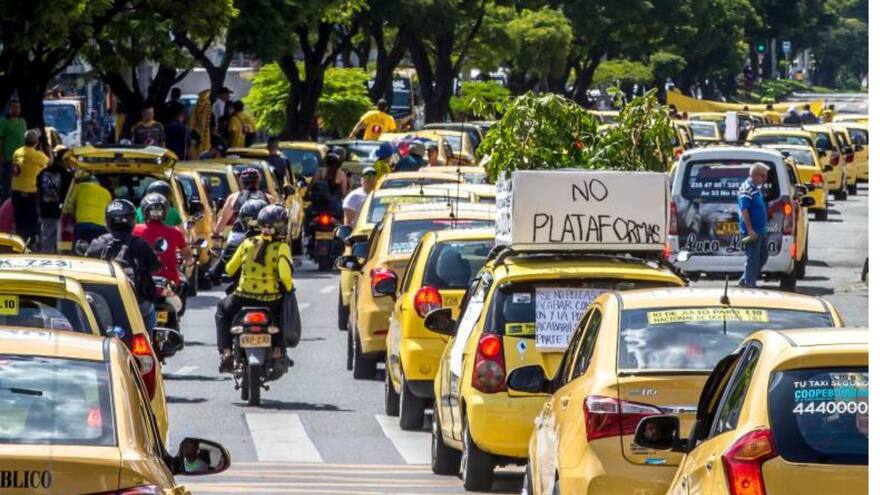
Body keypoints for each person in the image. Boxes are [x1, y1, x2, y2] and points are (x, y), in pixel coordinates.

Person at [215, 204, 293, 372]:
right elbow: (285, 276)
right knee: (282, 315)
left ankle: (226, 352)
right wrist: (288, 288)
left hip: (242, 298)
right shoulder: (282, 247)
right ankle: (278, 351)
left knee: (222, 309)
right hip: (271, 300)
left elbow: (230, 268)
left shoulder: (247, 243)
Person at [86, 199, 162, 331]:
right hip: (136, 305)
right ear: (132, 220)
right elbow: (156, 266)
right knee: (150, 313)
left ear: (108, 220)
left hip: (100, 304)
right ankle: (149, 340)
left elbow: (85, 262)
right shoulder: (140, 244)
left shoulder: (98, 243)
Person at [133, 193, 194, 290]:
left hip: (141, 282)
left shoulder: (134, 230)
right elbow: (188, 256)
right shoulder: (176, 232)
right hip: (170, 283)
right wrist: (189, 264)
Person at [10, 129, 49, 248]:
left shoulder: (17, 152)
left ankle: (19, 243)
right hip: (29, 192)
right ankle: (30, 244)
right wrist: (44, 150)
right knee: (32, 220)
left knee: (19, 219)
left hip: (15, 191)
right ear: (36, 142)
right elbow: (49, 162)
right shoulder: (37, 155)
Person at [212, 167, 276, 238]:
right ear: (258, 181)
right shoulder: (269, 198)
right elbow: (276, 218)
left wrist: (215, 233)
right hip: (262, 236)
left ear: (241, 182)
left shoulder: (234, 197)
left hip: (238, 235)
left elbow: (223, 219)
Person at [737, 162, 770, 288]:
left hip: (760, 230)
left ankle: (745, 279)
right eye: (763, 176)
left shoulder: (755, 188)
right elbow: (744, 210)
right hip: (752, 231)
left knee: (763, 256)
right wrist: (750, 230)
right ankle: (749, 284)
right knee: (753, 259)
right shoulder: (747, 189)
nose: (765, 179)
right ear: (755, 175)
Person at [36, 145, 74, 253]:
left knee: (46, 239)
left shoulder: (43, 172)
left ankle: (46, 257)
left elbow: (38, 190)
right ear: (64, 160)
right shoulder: (67, 175)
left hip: (45, 210)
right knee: (61, 241)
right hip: (61, 212)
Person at [66, 174, 112, 245]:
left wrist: (72, 214)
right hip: (100, 227)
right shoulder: (107, 193)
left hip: (82, 225)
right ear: (98, 183)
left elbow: (69, 207)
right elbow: (109, 213)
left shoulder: (79, 187)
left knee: (79, 248)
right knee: (97, 249)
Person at [0, 99, 27, 200]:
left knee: (20, 185)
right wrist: (1, 156)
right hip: (9, 158)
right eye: (14, 107)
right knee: (7, 185)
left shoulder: (23, 122)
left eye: (18, 107)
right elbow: (1, 140)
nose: (16, 109)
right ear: (9, 109)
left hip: (22, 159)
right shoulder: (4, 122)